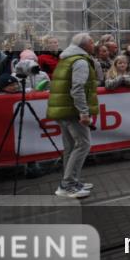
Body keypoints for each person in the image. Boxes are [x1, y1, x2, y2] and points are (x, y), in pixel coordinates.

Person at [46, 32, 98, 199]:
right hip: (72, 110)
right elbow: (77, 88)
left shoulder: (66, 59)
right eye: (91, 42)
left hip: (63, 109)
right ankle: (68, 184)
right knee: (83, 144)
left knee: (70, 146)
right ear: (84, 45)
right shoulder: (80, 61)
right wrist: (83, 112)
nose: (94, 44)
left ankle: (70, 181)